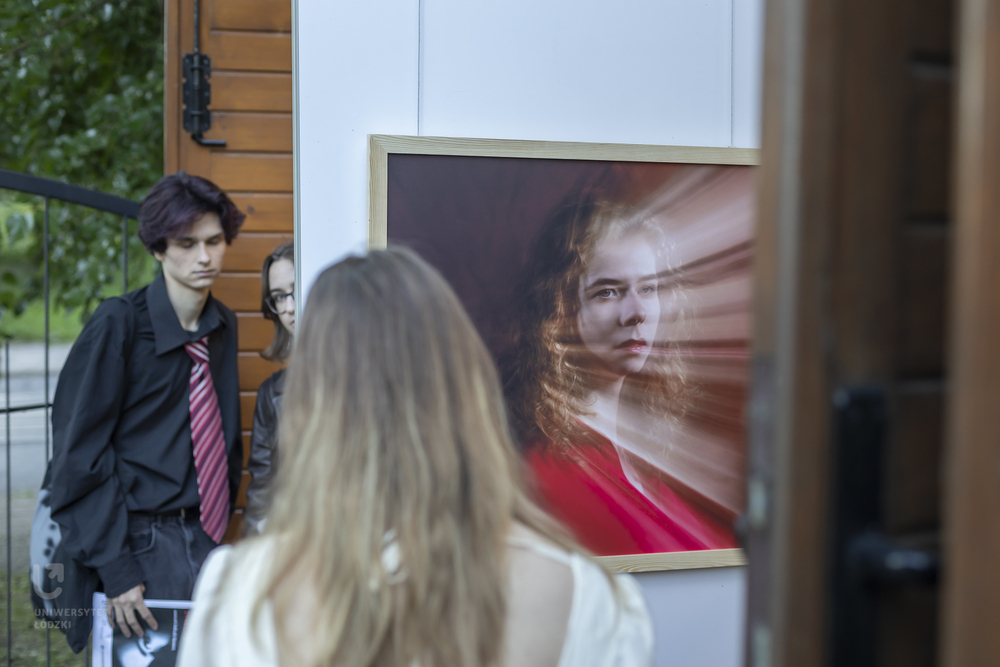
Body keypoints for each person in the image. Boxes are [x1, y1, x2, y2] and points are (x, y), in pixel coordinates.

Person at [176, 247, 653, 667]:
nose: (285, 307)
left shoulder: (240, 594)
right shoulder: (585, 596)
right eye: (277, 297)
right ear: (466, 387)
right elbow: (262, 482)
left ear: (312, 402)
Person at [48, 171, 245, 642]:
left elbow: (223, 434)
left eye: (215, 241)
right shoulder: (118, 324)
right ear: (158, 248)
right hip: (137, 542)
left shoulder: (223, 326)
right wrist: (117, 568)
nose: (204, 256)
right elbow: (78, 458)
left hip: (206, 537)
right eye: (186, 243)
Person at [500, 192, 737, 555]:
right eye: (608, 292)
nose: (637, 312)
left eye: (648, 288)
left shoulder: (651, 456)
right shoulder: (547, 472)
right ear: (560, 307)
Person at [243, 242, 295, 535]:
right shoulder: (271, 394)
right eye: (278, 297)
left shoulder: (364, 373)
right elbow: (263, 489)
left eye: (295, 289)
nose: (289, 308)